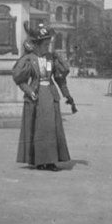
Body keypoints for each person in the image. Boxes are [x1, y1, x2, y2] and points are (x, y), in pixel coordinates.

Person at [12, 21, 75, 171]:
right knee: (40, 129)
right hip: (37, 96)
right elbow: (19, 80)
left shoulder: (51, 59)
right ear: (38, 44)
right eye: (46, 44)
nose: (48, 47)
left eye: (49, 44)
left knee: (51, 128)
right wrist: (29, 91)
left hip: (51, 95)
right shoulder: (29, 59)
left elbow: (60, 79)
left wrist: (68, 96)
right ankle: (39, 161)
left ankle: (51, 160)